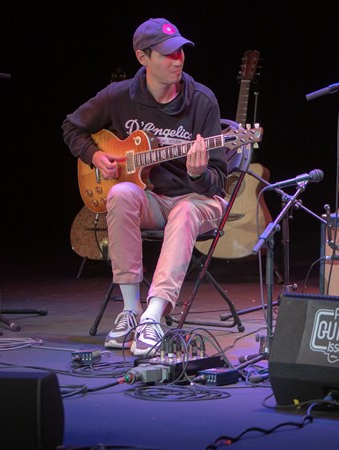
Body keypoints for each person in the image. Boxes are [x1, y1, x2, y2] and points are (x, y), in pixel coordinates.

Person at [62, 18, 227, 356]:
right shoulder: (118, 97)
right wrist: (95, 156)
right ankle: (130, 310)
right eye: (167, 53)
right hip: (150, 199)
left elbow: (218, 182)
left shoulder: (202, 101)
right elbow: (71, 127)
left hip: (198, 201)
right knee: (120, 193)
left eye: (180, 51)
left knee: (184, 210)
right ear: (142, 57)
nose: (177, 59)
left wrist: (197, 174)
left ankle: (154, 315)